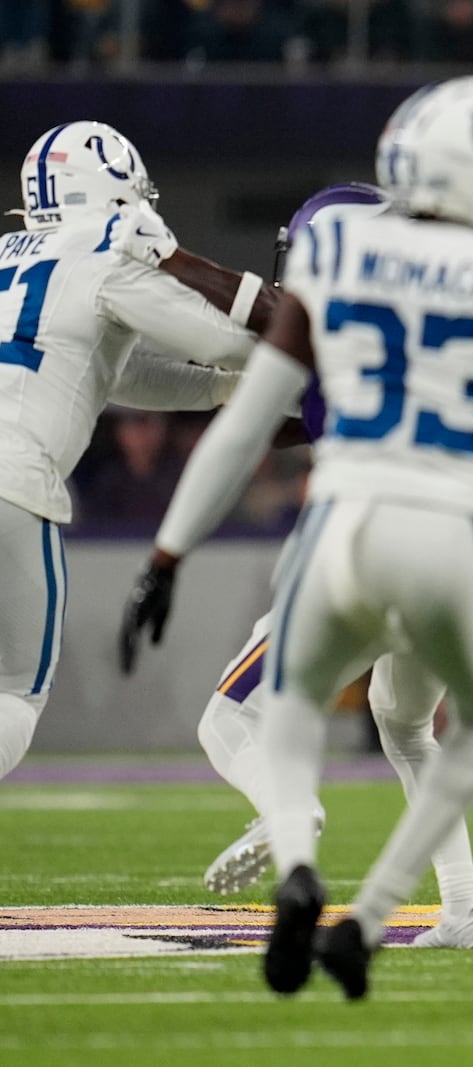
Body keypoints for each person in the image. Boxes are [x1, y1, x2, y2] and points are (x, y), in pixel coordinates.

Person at [119, 76, 473, 998]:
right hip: (456, 544)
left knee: (263, 716)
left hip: (343, 534)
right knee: (442, 726)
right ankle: (413, 912)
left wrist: (166, 554)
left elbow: (246, 427)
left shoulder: (342, 265)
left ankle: (299, 857)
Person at [117, 183, 473, 951]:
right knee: (405, 726)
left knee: (229, 717)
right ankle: (467, 910)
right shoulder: (436, 321)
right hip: (460, 557)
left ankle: (289, 813)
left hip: (375, 550)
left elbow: (261, 315)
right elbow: (308, 415)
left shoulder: (343, 318)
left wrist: (170, 257)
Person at [0, 120, 269, 782]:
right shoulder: (101, 253)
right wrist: (281, 369)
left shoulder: (9, 255)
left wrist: (224, 391)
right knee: (15, 692)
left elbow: (111, 371)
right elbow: (220, 339)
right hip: (12, 480)